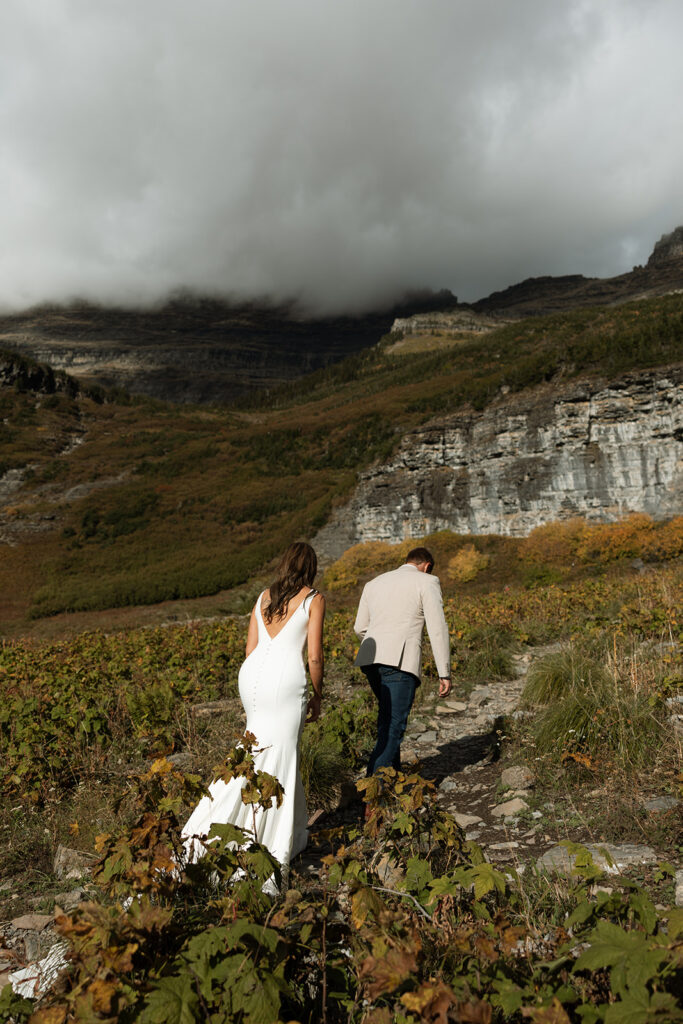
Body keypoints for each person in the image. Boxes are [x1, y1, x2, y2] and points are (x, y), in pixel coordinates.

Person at [182, 541, 325, 885]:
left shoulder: (264, 596)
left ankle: (222, 824)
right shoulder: (313, 598)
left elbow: (250, 647)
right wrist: (318, 697)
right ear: (311, 568)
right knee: (282, 753)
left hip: (253, 675)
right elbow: (315, 656)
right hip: (285, 678)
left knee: (252, 750)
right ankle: (268, 839)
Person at [354, 546, 451, 776]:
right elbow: (437, 628)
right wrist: (444, 672)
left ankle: (393, 783)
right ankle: (373, 798)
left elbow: (360, 627)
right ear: (426, 567)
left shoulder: (374, 583)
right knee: (393, 727)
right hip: (399, 661)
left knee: (387, 723)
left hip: (370, 660)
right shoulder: (427, 582)